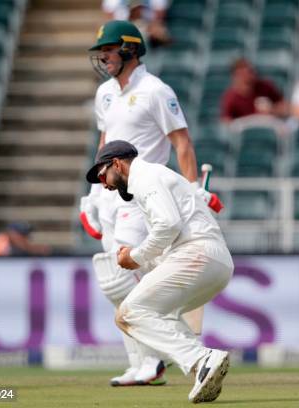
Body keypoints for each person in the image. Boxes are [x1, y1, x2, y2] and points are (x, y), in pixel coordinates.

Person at [82, 20, 220, 387]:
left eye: (109, 51)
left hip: (142, 193)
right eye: (101, 52)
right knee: (114, 280)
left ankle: (166, 356)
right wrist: (94, 192)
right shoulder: (105, 93)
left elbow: (182, 142)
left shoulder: (156, 90)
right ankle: (143, 362)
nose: (104, 58)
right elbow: (104, 140)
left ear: (129, 49)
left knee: (124, 274)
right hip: (110, 193)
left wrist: (193, 189)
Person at [85, 140, 233, 403]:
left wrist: (136, 256)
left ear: (117, 163)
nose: (104, 185)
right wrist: (141, 261)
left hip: (197, 254)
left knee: (128, 314)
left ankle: (202, 359)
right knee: (157, 313)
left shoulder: (145, 177)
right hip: (214, 261)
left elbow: (168, 225)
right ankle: (202, 365)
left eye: (102, 175)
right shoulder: (153, 178)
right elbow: (170, 234)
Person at [220, 58, 289, 123]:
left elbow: (284, 107)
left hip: (268, 128)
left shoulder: (265, 87)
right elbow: (226, 121)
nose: (248, 76)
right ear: (235, 76)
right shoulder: (231, 97)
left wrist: (271, 109)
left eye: (250, 71)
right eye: (242, 74)